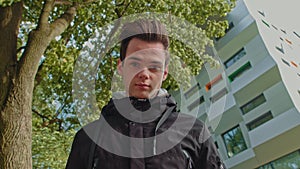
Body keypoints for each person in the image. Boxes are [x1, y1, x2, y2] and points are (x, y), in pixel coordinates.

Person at [66, 19, 225, 169]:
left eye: (154, 66)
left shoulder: (194, 131)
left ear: (165, 73)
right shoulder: (88, 138)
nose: (144, 74)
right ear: (121, 67)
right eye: (135, 63)